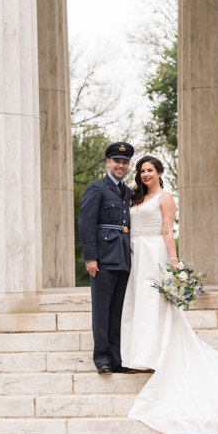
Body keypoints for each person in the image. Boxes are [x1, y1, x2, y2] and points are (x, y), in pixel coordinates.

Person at [119, 154, 218, 434]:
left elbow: (167, 230)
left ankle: (156, 354)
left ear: (159, 171)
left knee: (154, 304)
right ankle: (136, 354)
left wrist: (174, 261)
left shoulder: (165, 198)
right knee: (137, 303)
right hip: (134, 253)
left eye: (149, 170)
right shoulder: (135, 199)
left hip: (154, 252)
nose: (144, 175)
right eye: (141, 171)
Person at [78, 141, 135, 375]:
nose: (121, 165)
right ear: (108, 162)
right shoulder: (96, 188)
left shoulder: (127, 191)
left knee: (118, 311)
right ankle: (101, 357)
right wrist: (90, 257)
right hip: (103, 258)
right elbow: (85, 222)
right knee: (102, 310)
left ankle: (116, 358)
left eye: (125, 162)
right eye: (117, 161)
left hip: (122, 258)